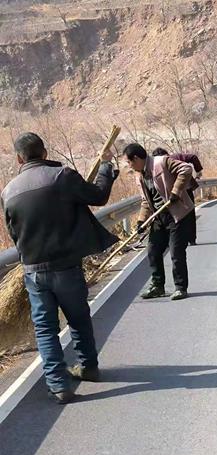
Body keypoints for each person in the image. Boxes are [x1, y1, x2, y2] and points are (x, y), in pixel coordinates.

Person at [1, 132, 119, 404]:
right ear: (44, 152)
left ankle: (58, 385)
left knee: (45, 329)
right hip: (66, 266)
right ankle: (88, 367)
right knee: (78, 318)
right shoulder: (61, 176)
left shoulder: (8, 192)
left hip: (33, 271)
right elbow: (98, 196)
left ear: (19, 158)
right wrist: (105, 166)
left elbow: (14, 235)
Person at [123, 143, 193, 301]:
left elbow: (186, 169)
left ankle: (180, 287)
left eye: (129, 162)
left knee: (176, 253)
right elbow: (146, 202)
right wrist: (141, 221)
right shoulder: (140, 176)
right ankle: (158, 286)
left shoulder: (161, 162)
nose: (129, 166)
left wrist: (176, 191)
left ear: (136, 158)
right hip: (159, 217)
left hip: (177, 214)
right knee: (153, 251)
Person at [152, 147, 203, 246]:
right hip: (176, 192)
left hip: (182, 189)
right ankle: (190, 239)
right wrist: (198, 171)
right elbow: (193, 157)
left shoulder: (173, 158)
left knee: (181, 214)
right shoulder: (158, 165)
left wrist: (198, 170)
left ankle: (185, 239)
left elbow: (192, 157)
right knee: (188, 214)